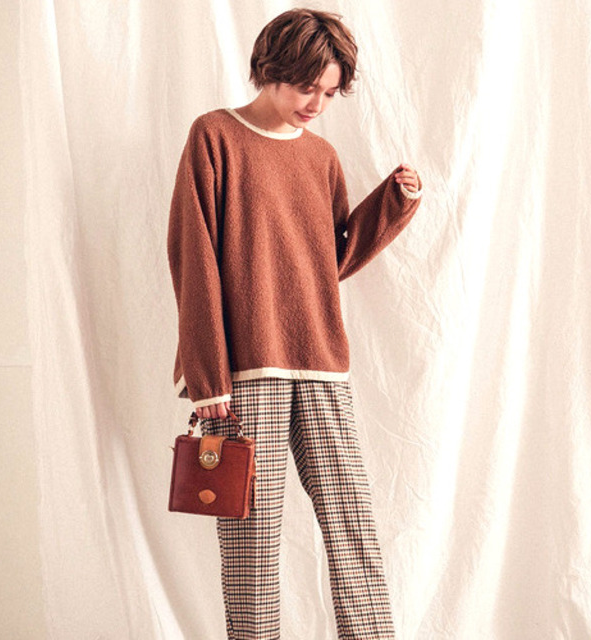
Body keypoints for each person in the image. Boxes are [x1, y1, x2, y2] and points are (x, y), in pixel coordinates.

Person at [167, 8, 422, 639]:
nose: (316, 104)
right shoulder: (214, 137)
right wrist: (207, 377)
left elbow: (328, 261)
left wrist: (394, 204)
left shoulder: (322, 157)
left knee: (352, 522)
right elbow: (193, 256)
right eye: (308, 87)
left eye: (329, 93)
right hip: (244, 372)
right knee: (251, 540)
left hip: (321, 362)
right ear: (271, 68)